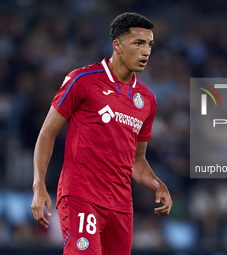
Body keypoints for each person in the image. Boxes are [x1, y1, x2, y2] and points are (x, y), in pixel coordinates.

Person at [31, 12, 172, 255]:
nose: (146, 51)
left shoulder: (147, 100)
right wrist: (39, 186)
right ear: (117, 45)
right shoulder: (83, 80)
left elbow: (137, 161)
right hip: (80, 196)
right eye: (138, 43)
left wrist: (159, 185)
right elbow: (47, 134)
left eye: (149, 44)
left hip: (121, 206)